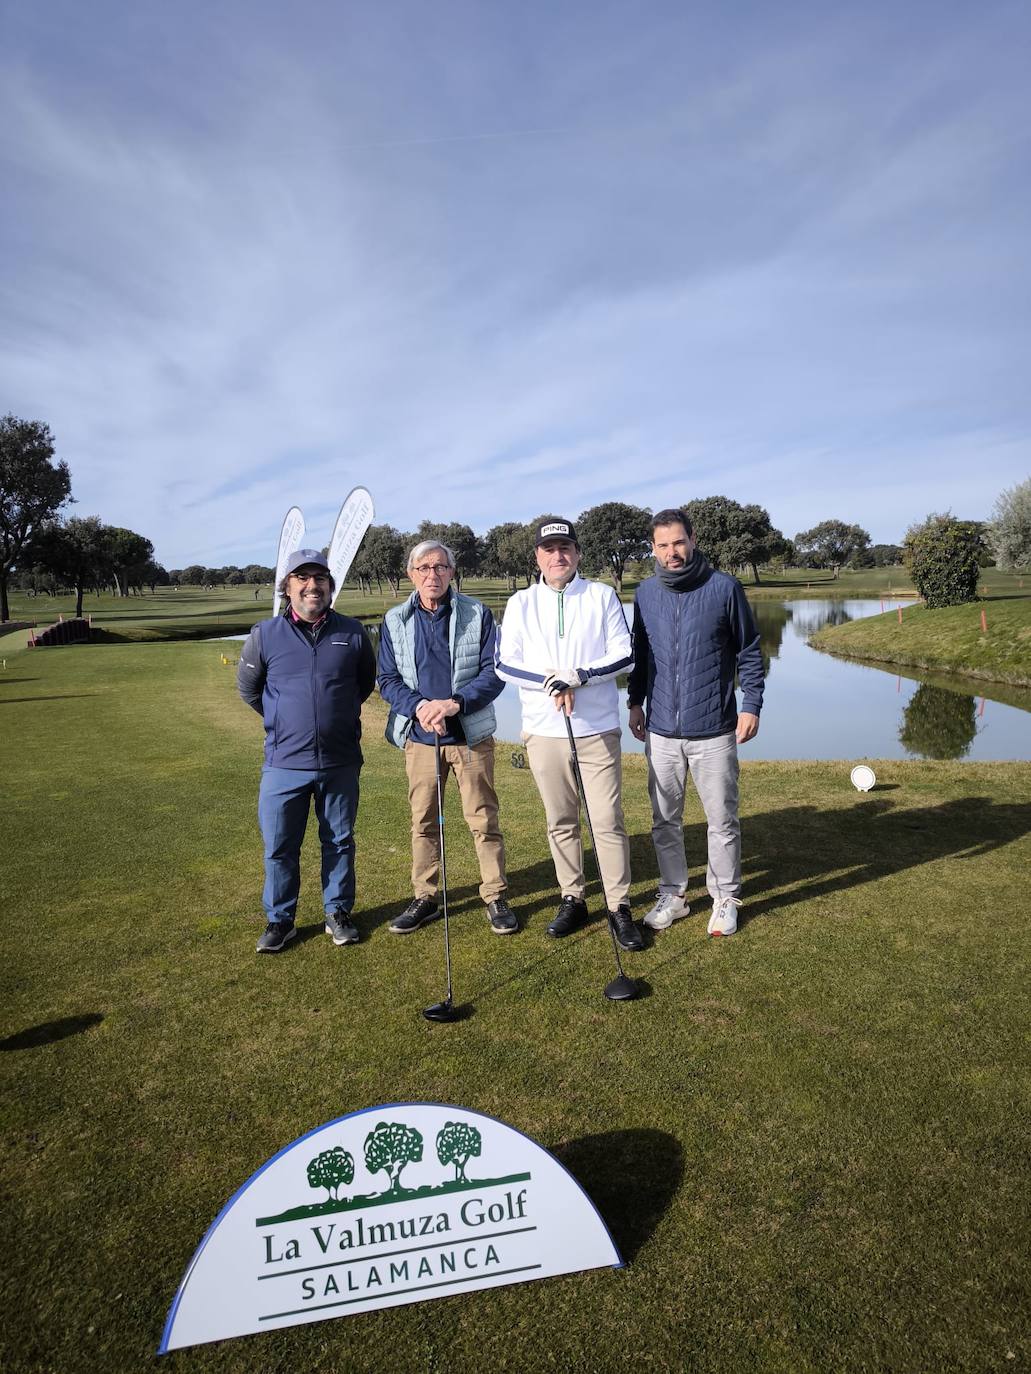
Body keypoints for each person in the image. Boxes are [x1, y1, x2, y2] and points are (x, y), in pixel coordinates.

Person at [495, 518, 643, 951]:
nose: (558, 556)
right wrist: (551, 681)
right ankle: (572, 897)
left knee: (606, 821)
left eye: (565, 548)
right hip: (544, 731)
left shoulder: (600, 595)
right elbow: (506, 664)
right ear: (538, 557)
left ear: (577, 554)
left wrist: (579, 676)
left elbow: (624, 655)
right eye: (549, 549)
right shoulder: (521, 603)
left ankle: (618, 905)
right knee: (561, 820)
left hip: (596, 729)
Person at [627, 508, 764, 938]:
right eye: (664, 545)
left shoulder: (724, 587)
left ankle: (724, 898)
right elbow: (641, 656)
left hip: (715, 728)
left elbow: (749, 651)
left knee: (722, 820)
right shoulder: (646, 593)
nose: (673, 552)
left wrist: (752, 703)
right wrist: (635, 702)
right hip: (662, 729)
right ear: (653, 548)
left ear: (693, 540)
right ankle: (674, 895)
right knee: (664, 820)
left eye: (679, 542)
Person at [237, 549, 376, 953]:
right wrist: (281, 720)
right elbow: (249, 689)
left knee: (339, 841)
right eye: (302, 578)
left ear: (330, 587)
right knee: (280, 846)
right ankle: (280, 921)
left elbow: (363, 684)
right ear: (288, 587)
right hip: (284, 764)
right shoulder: (265, 634)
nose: (312, 586)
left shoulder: (351, 632)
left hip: (340, 760)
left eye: (320, 578)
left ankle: (338, 912)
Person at [377, 539, 516, 935]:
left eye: (440, 567)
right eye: (423, 568)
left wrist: (455, 703)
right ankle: (426, 896)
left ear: (452, 572)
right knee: (423, 820)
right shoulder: (393, 621)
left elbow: (494, 673)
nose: (432, 575)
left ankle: (494, 895)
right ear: (411, 574)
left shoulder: (477, 613)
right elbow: (387, 680)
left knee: (483, 818)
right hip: (421, 739)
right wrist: (421, 707)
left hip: (468, 736)